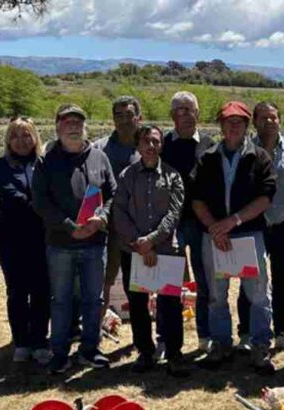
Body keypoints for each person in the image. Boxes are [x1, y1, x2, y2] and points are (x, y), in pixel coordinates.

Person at [192, 101, 278, 374]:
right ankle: (221, 344)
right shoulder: (207, 158)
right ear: (221, 125)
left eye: (239, 121)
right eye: (228, 121)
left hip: (249, 235)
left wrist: (234, 221)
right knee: (217, 295)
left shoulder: (260, 156)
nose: (234, 126)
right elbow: (196, 198)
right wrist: (214, 227)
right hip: (214, 237)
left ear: (246, 126)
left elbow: (266, 197)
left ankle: (260, 344)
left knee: (258, 295)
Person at [32, 104, 117, 373]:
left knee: (94, 299)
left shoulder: (99, 157)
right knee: (60, 300)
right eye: (67, 122)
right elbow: (41, 202)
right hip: (60, 244)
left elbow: (113, 194)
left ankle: (89, 350)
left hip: (94, 243)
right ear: (57, 126)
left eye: (78, 122)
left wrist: (101, 218)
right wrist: (69, 226)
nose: (73, 127)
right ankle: (59, 353)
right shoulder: (46, 160)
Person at [113, 125, 188, 376]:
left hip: (166, 250)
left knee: (170, 304)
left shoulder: (173, 177)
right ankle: (145, 352)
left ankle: (175, 354)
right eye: (146, 141)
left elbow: (174, 214)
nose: (151, 145)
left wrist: (152, 241)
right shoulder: (126, 176)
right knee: (137, 304)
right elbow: (119, 212)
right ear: (138, 146)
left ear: (161, 146)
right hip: (133, 251)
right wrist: (138, 242)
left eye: (156, 141)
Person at [235, 102, 284, 353]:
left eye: (273, 117)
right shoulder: (245, 150)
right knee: (250, 280)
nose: (269, 122)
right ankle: (245, 332)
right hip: (254, 224)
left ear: (280, 120)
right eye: (263, 118)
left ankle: (282, 332)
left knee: (283, 278)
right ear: (254, 122)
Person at [0, 117, 51, 365]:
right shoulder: (1, 165)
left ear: (35, 138)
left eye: (26, 135)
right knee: (16, 291)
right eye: (15, 136)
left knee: (41, 290)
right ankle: (21, 341)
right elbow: (9, 193)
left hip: (41, 237)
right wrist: (42, 207)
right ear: (8, 140)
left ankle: (39, 340)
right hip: (11, 238)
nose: (21, 141)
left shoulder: (44, 164)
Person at [161, 91, 215, 354]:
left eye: (189, 109)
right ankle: (167, 339)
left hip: (202, 224)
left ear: (198, 113)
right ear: (172, 116)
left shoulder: (209, 144)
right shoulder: (161, 145)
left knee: (205, 282)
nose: (185, 115)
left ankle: (205, 335)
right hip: (170, 224)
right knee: (168, 284)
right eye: (180, 110)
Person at [93, 96, 141, 329]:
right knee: (106, 279)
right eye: (118, 116)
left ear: (138, 117)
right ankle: (96, 331)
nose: (124, 120)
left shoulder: (149, 147)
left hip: (143, 230)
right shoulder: (99, 149)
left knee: (144, 282)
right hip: (109, 228)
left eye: (129, 115)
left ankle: (147, 338)